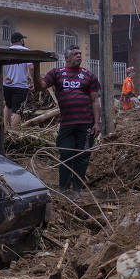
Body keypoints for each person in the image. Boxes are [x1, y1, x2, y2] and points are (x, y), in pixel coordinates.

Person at [32, 45, 101, 197]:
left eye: (80, 54)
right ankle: (63, 189)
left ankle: (76, 190)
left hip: (86, 124)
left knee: (82, 157)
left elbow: (95, 100)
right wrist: (36, 67)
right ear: (67, 58)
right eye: (75, 54)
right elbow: (39, 87)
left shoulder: (89, 75)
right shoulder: (57, 73)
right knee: (66, 155)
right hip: (67, 124)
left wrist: (97, 123)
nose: (79, 56)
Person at [2, 32, 32, 128]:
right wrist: (34, 81)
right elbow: (31, 68)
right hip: (20, 86)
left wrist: (3, 77)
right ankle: (12, 133)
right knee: (17, 110)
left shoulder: (6, 51)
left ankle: (5, 130)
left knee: (8, 105)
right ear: (21, 40)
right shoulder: (26, 51)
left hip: (7, 85)